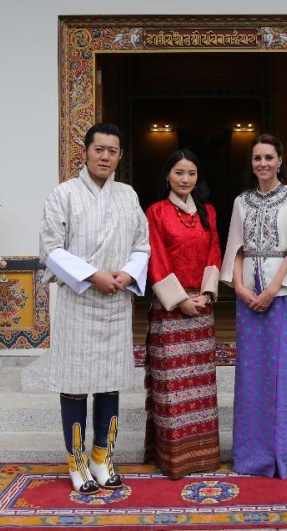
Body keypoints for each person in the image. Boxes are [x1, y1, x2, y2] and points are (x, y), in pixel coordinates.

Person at [39, 123, 150, 495]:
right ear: (85, 152)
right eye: (98, 149)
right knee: (75, 383)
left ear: (120, 155)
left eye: (112, 151)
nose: (105, 156)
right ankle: (76, 460)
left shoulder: (128, 195)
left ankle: (103, 456)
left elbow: (142, 246)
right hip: (78, 300)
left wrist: (126, 274)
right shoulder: (63, 195)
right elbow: (51, 250)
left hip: (116, 301)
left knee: (109, 381)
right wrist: (93, 275)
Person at [221, 133, 287, 479]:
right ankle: (248, 458)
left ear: (280, 161)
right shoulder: (241, 202)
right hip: (248, 300)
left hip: (280, 298)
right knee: (250, 377)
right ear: (252, 163)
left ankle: (278, 457)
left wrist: (271, 291)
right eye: (257, 158)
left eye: (269, 158)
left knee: (279, 376)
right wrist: (242, 290)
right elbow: (235, 249)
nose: (263, 164)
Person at [143, 149, 222, 479]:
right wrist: (179, 300)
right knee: (172, 390)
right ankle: (174, 459)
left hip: (201, 309)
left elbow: (214, 250)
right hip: (169, 311)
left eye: (191, 173)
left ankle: (203, 456)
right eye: (179, 173)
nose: (185, 179)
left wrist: (205, 293)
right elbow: (155, 257)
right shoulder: (157, 212)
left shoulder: (208, 212)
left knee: (201, 388)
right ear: (167, 176)